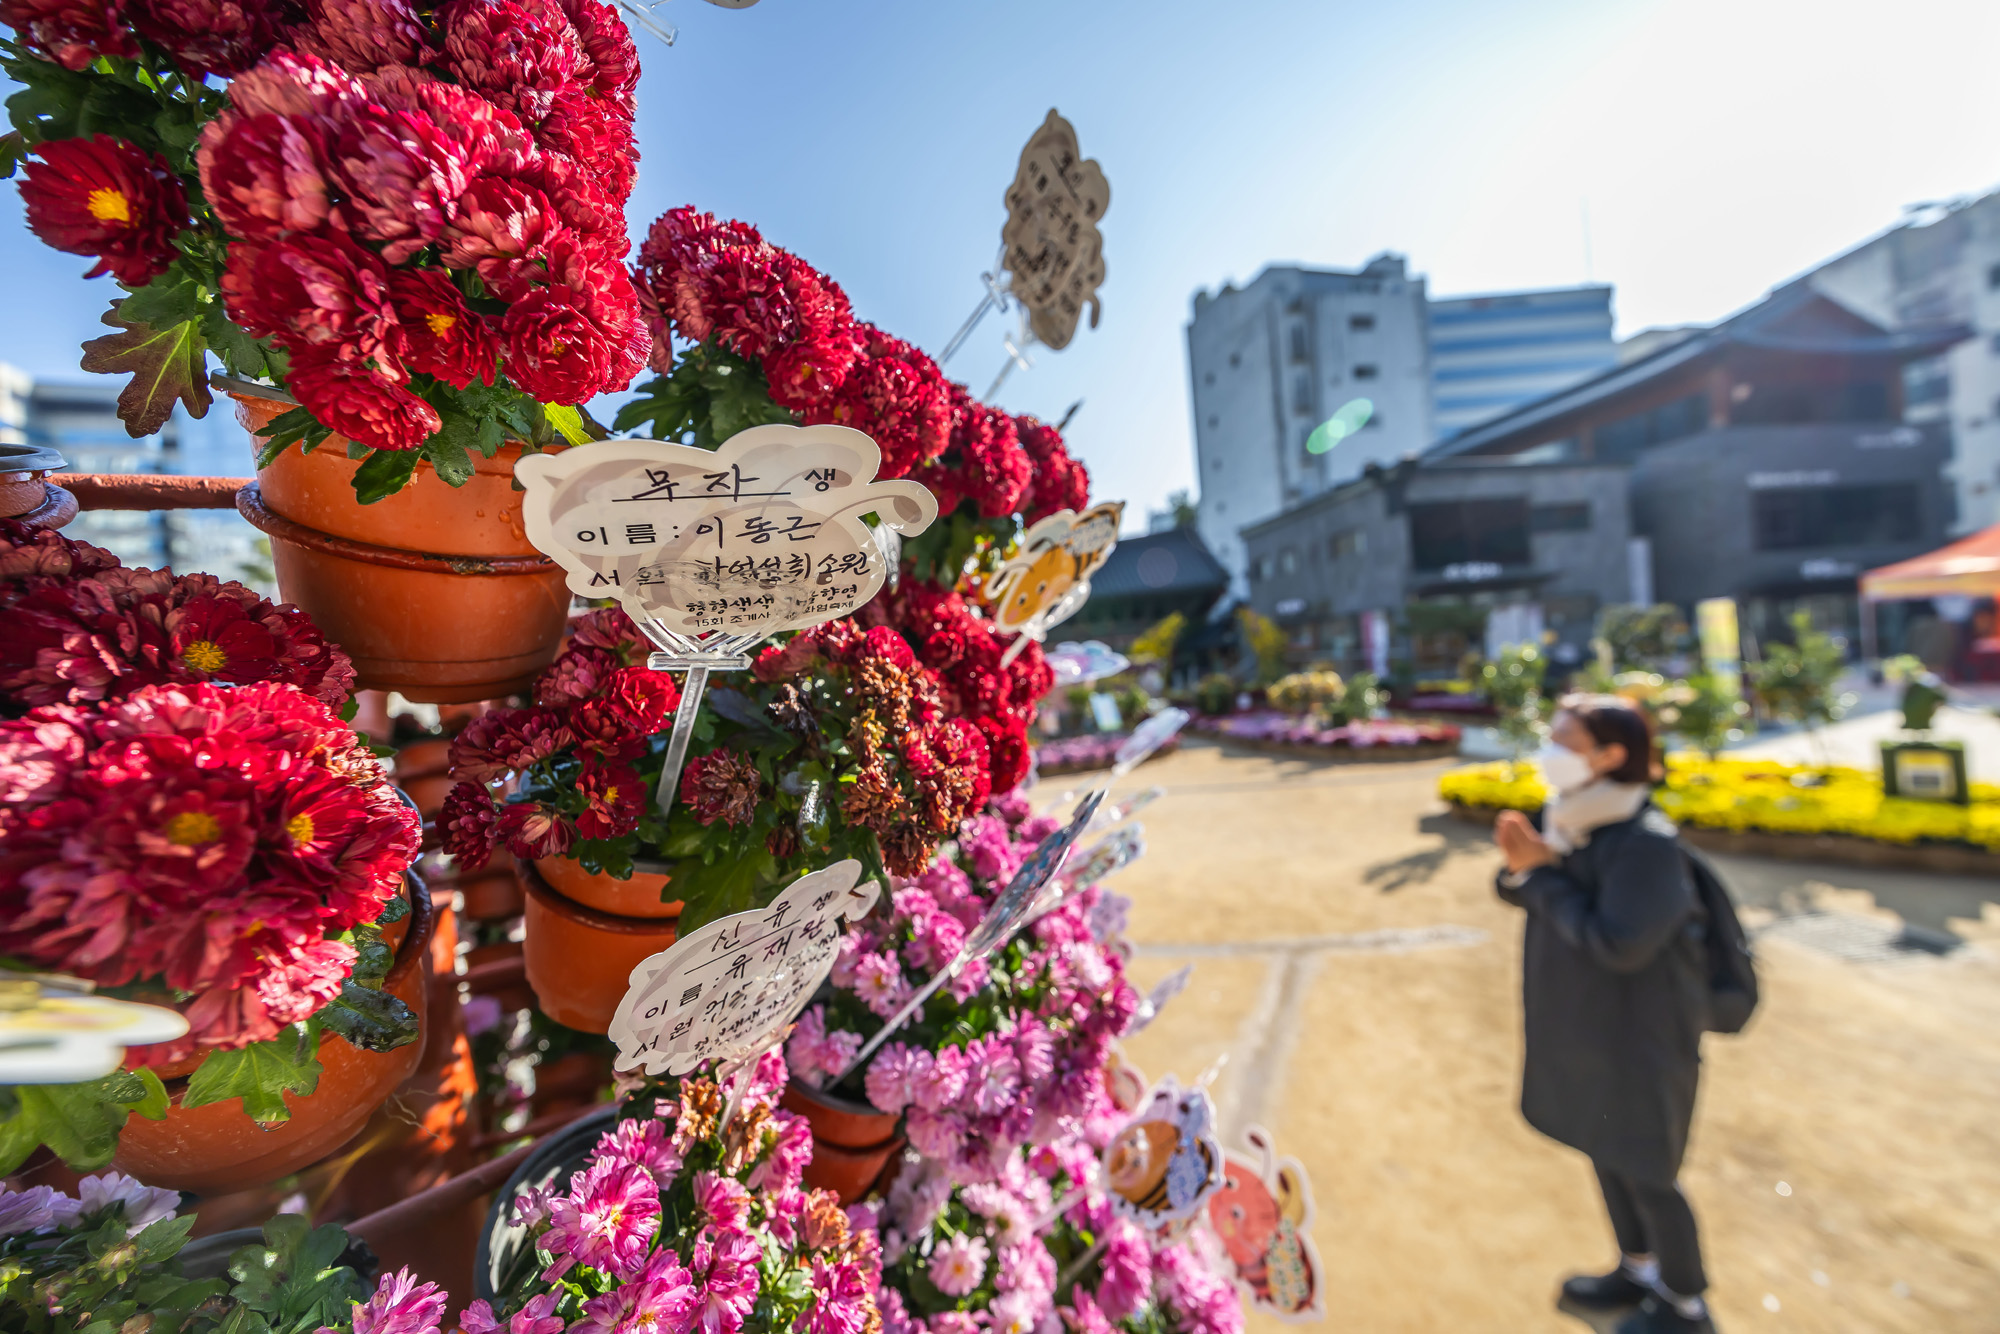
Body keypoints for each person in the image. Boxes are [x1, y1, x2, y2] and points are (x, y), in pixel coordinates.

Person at [1493, 695, 1717, 1333]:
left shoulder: (1643, 844)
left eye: (1566, 739)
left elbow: (1621, 942)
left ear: (1611, 756)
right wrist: (1525, 870)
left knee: (1649, 1168)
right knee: (1606, 1149)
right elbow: (1523, 882)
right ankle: (1637, 1268)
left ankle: (1685, 1303)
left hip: (1642, 1035)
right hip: (1590, 1028)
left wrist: (1538, 876)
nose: (1551, 750)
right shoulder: (1571, 818)